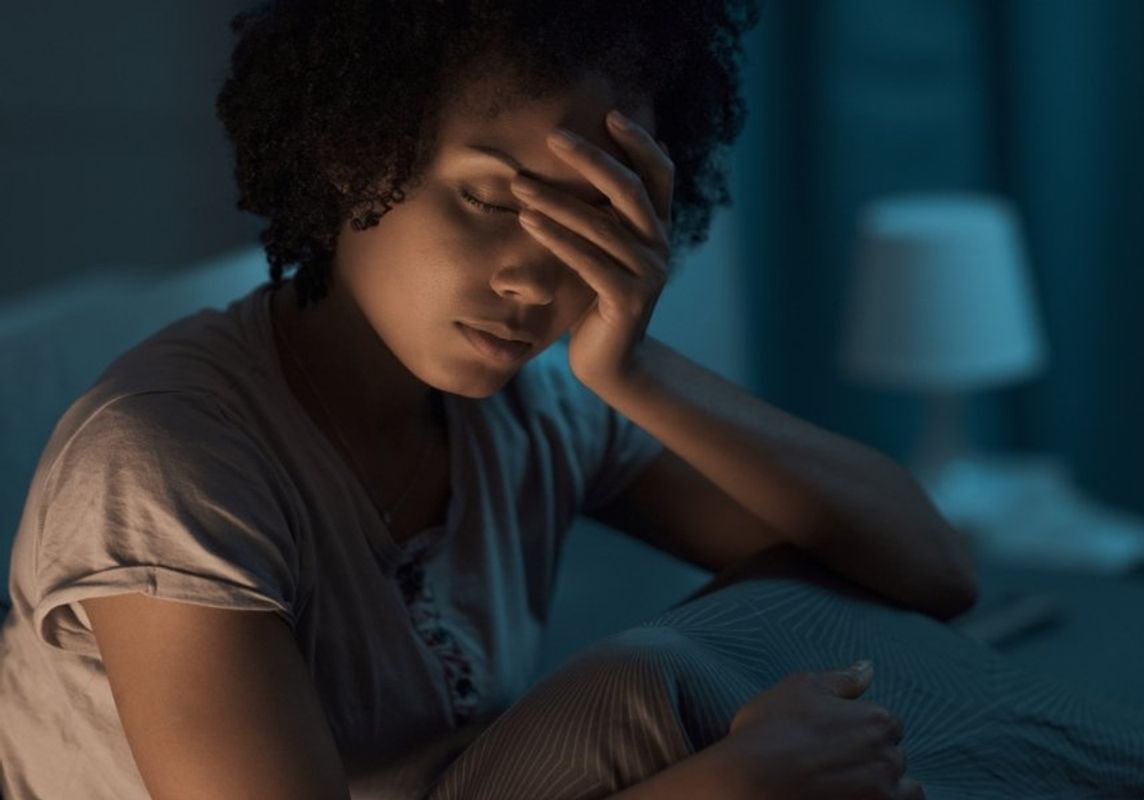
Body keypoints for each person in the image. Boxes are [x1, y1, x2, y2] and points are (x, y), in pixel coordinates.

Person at [0, 1, 980, 798]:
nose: (534, 278)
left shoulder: (536, 410)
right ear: (356, 158)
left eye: (593, 216)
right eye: (492, 200)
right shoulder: (164, 464)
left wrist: (630, 369)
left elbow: (928, 568)